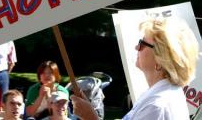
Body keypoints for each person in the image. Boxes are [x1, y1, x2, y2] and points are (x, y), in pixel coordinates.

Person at [71, 16, 199, 120]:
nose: (137, 47)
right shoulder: (161, 97)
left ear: (161, 59)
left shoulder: (156, 106)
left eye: (142, 43)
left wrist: (89, 117)